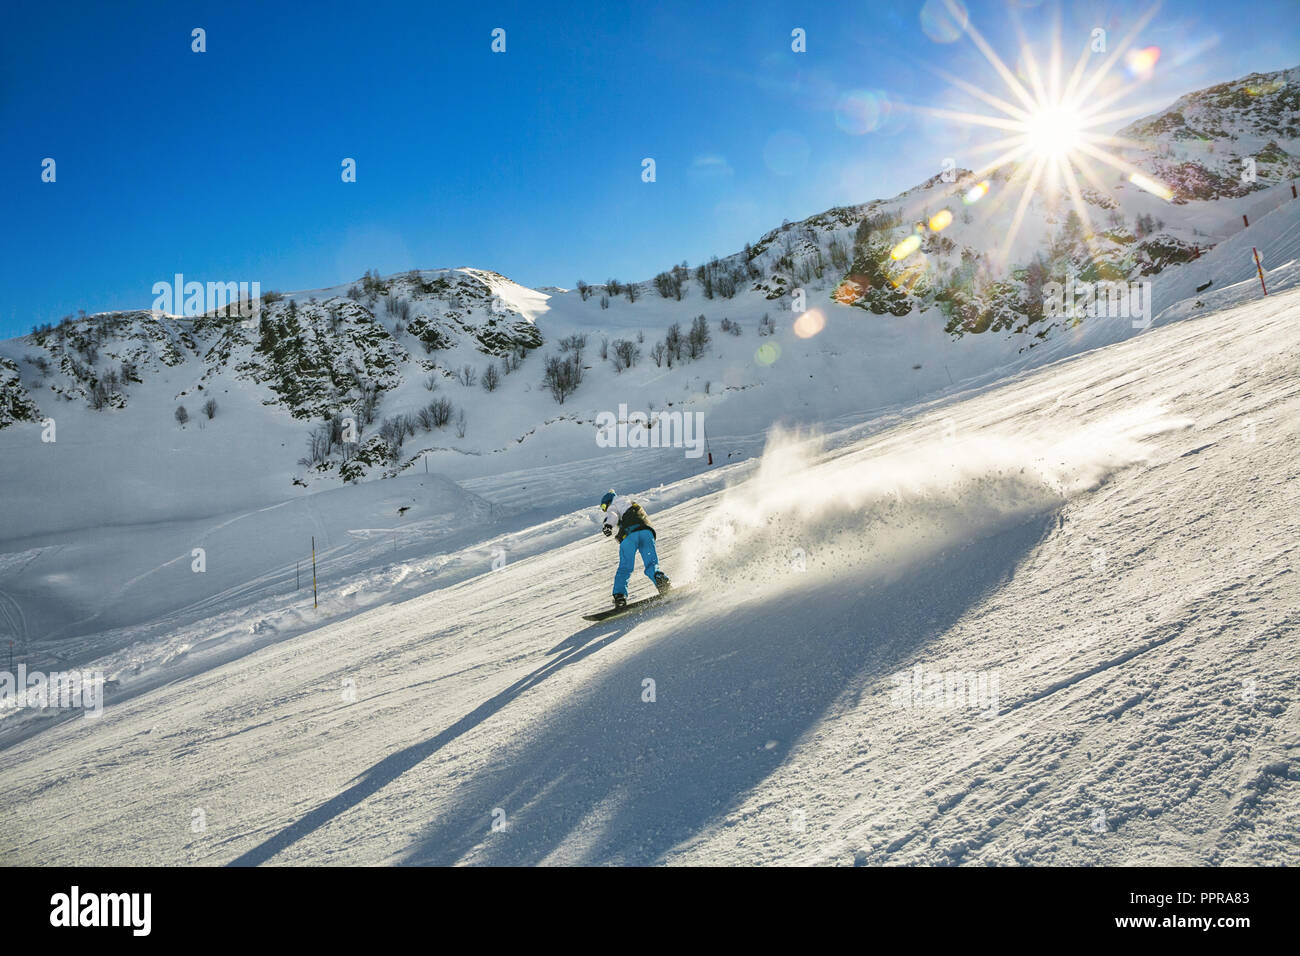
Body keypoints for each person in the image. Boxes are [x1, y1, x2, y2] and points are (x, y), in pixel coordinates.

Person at [599, 489, 671, 608]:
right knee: (651, 563)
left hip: (629, 535)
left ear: (607, 501)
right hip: (646, 532)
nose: (604, 509)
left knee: (625, 568)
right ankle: (661, 581)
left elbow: (612, 515)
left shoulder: (613, 505)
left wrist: (607, 525)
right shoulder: (629, 501)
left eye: (603, 506)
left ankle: (620, 597)